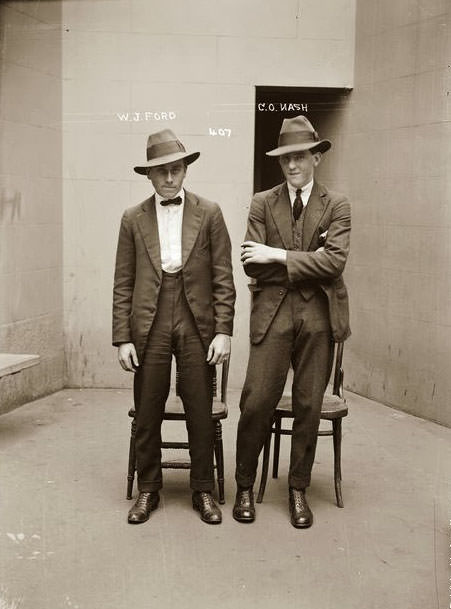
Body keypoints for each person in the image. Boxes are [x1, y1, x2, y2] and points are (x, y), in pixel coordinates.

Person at [113, 129, 235, 525]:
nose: (169, 178)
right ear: (149, 176)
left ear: (185, 171)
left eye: (176, 169)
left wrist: (223, 330)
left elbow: (223, 276)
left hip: (195, 318)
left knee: (199, 405)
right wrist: (122, 338)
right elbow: (123, 281)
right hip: (149, 318)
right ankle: (149, 489)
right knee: (147, 408)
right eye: (161, 171)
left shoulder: (210, 212)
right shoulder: (133, 218)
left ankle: (203, 489)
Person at [233, 115, 351, 528]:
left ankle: (298, 489)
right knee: (257, 401)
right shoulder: (262, 202)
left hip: (318, 317)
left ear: (316, 158)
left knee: (308, 405)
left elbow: (335, 261)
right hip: (273, 313)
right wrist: (306, 261)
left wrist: (278, 254)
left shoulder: (336, 204)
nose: (293, 166)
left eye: (300, 157)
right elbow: (252, 265)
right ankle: (244, 484)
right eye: (286, 159)